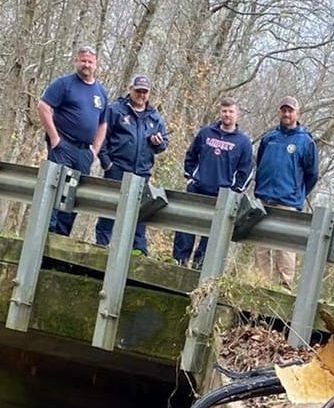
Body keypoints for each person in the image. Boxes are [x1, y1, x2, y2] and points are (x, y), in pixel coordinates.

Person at [35, 46, 108, 238]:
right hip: (63, 146)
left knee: (73, 195)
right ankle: (46, 235)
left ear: (96, 64)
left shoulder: (100, 92)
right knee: (56, 189)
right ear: (76, 61)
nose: (86, 65)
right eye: (83, 60)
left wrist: (95, 151)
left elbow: (103, 124)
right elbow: (43, 106)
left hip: (84, 152)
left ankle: (61, 238)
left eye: (90, 62)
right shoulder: (64, 84)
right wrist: (54, 138)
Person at [173, 97, 254, 269]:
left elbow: (246, 170)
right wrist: (190, 177)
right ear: (220, 112)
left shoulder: (243, 142)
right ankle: (180, 261)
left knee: (212, 233)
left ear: (236, 114)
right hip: (198, 188)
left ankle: (200, 265)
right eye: (224, 111)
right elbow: (191, 155)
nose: (227, 114)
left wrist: (235, 190)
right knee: (186, 224)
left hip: (222, 194)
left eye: (231, 111)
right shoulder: (206, 133)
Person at [95, 73, 169, 253]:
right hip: (117, 169)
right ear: (131, 90)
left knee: (139, 215)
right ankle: (101, 247)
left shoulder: (154, 117)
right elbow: (102, 136)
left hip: (141, 172)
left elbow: (163, 145)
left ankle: (138, 252)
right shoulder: (116, 110)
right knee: (110, 211)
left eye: (145, 92)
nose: (141, 95)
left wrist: (158, 142)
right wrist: (106, 163)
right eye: (138, 91)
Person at [252, 96, 320, 285]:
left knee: (285, 246)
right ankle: (260, 283)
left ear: (298, 113)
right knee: (260, 245)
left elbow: (312, 174)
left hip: (288, 202)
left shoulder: (305, 141)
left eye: (290, 110)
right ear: (279, 112)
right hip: (264, 198)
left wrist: (298, 193)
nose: (287, 114)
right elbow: (260, 163)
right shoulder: (269, 138)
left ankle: (284, 285)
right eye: (284, 110)